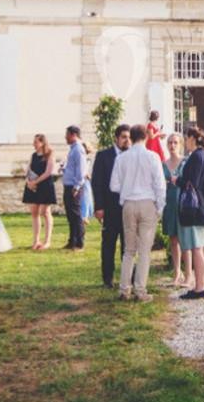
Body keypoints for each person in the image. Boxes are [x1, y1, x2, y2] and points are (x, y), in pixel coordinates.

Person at [110, 124, 166, 302]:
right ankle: (140, 290)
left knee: (129, 249)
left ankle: (124, 289)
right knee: (144, 250)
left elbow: (114, 185)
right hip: (147, 202)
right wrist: (160, 207)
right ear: (147, 137)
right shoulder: (152, 157)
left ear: (131, 138)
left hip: (128, 204)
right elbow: (159, 184)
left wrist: (127, 188)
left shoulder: (122, 158)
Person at [177, 127, 204, 300]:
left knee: (197, 248)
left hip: (195, 207)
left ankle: (199, 287)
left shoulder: (196, 157)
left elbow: (190, 182)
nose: (185, 142)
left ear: (193, 138)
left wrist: (176, 180)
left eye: (186, 138)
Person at [91, 124, 131, 288]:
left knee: (127, 246)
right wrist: (99, 207)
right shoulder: (103, 156)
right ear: (116, 138)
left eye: (129, 137)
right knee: (108, 244)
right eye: (123, 137)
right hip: (109, 207)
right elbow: (97, 183)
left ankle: (126, 278)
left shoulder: (132, 156)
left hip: (128, 208)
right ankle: (107, 278)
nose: (126, 140)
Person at [162, 134, 192, 287]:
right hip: (169, 203)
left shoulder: (185, 162)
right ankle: (177, 273)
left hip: (182, 203)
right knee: (173, 240)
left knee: (185, 240)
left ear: (180, 144)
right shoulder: (163, 164)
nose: (172, 145)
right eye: (169, 142)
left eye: (175, 142)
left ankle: (188, 275)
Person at [22, 133, 56, 250]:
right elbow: (28, 169)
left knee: (45, 212)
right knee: (34, 212)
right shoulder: (33, 155)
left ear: (42, 143)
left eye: (36, 142)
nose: (34, 144)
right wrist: (28, 182)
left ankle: (47, 241)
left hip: (45, 186)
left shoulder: (50, 154)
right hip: (33, 186)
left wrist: (35, 182)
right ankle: (36, 241)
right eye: (34, 142)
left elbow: (48, 172)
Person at [60, 126, 87, 250]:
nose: (65, 137)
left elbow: (81, 170)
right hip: (68, 185)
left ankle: (79, 242)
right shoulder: (72, 149)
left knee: (76, 215)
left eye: (67, 134)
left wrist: (77, 186)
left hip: (74, 187)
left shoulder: (78, 149)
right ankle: (72, 240)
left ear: (73, 135)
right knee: (71, 216)